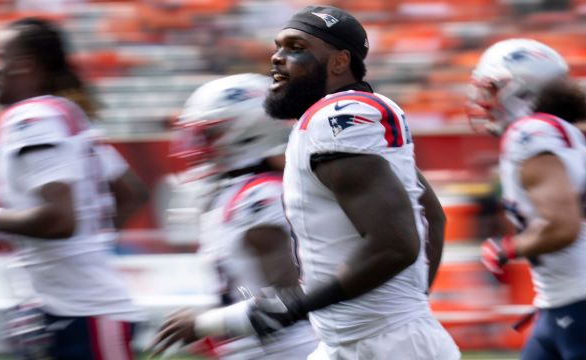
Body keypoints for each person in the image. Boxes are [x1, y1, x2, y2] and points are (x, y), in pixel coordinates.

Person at [151, 5, 459, 360]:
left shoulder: (336, 118)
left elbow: (396, 244)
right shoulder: (329, 118)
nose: (277, 58)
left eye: (296, 48)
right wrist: (411, 303)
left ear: (339, 62)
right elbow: (431, 215)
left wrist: (298, 305)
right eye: (279, 47)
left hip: (383, 345)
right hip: (355, 341)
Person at [0, 18, 147, 359]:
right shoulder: (64, 113)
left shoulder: (31, 118)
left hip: (83, 315)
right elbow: (130, 193)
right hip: (73, 308)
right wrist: (85, 252)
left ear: (23, 64)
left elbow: (59, 220)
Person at [148, 73, 318, 359]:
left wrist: (206, 323)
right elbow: (247, 291)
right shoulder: (236, 193)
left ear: (248, 131)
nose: (196, 146)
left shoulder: (259, 197)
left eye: (209, 134)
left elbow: (287, 301)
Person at [469, 38, 586, 359]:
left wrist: (505, 248)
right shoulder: (563, 132)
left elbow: (562, 228)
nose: (483, 100)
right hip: (558, 302)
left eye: (491, 89)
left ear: (520, 91)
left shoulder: (531, 133)